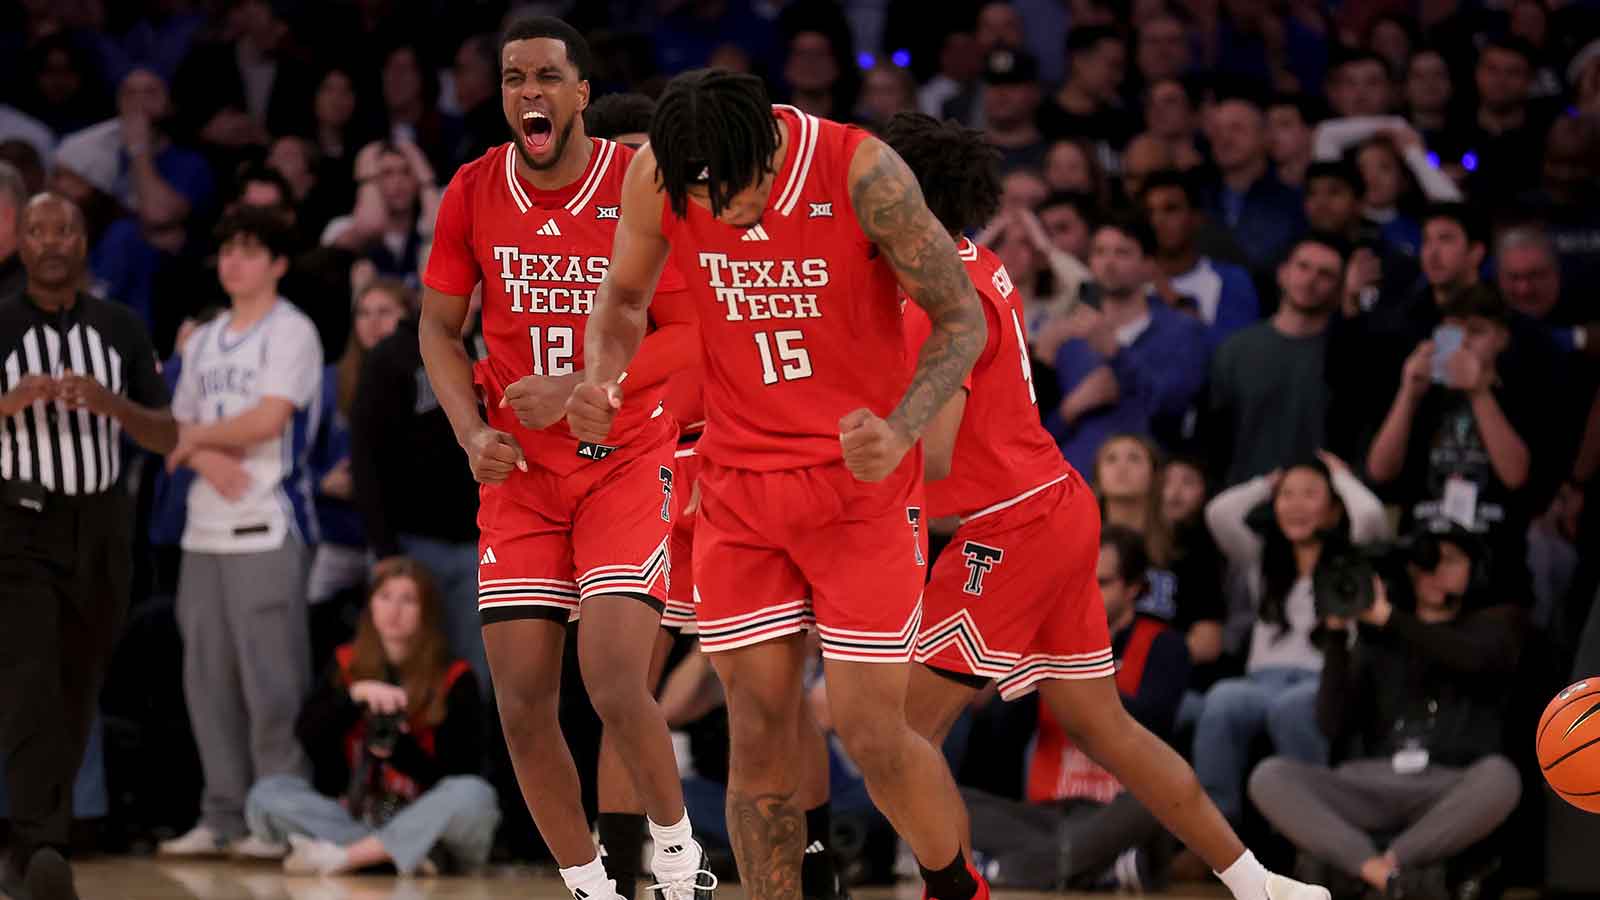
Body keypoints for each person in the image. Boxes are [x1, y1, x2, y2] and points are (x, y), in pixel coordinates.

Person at [875, 111, 1330, 900]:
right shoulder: (968, 258)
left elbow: (936, 455)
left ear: (903, 193)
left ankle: (955, 893)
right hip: (1053, 506)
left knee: (898, 735)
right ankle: (1260, 884)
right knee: (1105, 728)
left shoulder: (937, 296)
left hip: (1008, 524)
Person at [570, 71, 990, 900]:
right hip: (739, 487)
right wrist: (601, 378)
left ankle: (954, 888)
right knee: (756, 729)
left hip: (858, 487)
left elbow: (961, 317)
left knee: (871, 731)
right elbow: (621, 297)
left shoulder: (864, 172)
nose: (721, 208)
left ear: (769, 146)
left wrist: (902, 425)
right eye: (702, 191)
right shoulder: (657, 174)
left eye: (736, 186)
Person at [416, 19, 709, 900]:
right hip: (521, 477)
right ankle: (587, 883)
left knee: (615, 679)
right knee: (522, 706)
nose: (529, 92)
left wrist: (594, 383)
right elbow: (437, 326)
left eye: (548, 76)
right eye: (513, 78)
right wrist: (472, 432)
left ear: (582, 93)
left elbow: (692, 333)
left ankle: (678, 856)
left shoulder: (640, 185)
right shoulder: (470, 190)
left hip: (623, 458)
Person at [0, 193, 178, 900]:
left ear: (82, 243)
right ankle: (42, 844)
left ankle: (29, 843)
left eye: (64, 229)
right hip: (17, 526)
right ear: (20, 241)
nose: (51, 241)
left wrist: (112, 406)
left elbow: (166, 434)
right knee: (31, 683)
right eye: (38, 229)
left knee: (77, 689)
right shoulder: (0, 323)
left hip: (103, 527)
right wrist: (8, 405)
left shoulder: (121, 326)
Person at [159, 205, 324, 857]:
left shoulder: (293, 332)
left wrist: (192, 441)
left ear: (278, 263)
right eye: (227, 250)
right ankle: (221, 813)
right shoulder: (201, 338)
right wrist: (200, 455)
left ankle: (277, 817)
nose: (234, 261)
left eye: (250, 251)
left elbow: (268, 419)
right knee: (208, 683)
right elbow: (172, 424)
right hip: (203, 529)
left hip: (267, 525)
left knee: (272, 684)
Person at [1249, 533, 1525, 898]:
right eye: (1426, 562)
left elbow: (1472, 659)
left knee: (1501, 779)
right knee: (1270, 776)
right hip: (1372, 782)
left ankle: (1385, 864)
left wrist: (1392, 618)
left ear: (1475, 569)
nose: (1435, 571)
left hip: (1445, 785)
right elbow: (1331, 724)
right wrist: (1335, 637)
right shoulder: (1377, 640)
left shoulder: (1493, 625)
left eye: (1450, 560)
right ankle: (1377, 871)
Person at [958, 527, 1190, 891]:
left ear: (1133, 589)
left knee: (1158, 798)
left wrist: (1063, 677)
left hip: (1118, 811)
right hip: (1050, 815)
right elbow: (1003, 735)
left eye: (1103, 582)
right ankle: (1098, 869)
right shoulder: (1048, 643)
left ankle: (1009, 870)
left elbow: (1152, 722)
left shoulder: (1165, 646)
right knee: (949, 798)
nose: (1086, 594)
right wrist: (1019, 668)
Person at [243, 558, 501, 876]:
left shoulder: (455, 677)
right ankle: (403, 853)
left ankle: (348, 857)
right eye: (385, 597)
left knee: (474, 796)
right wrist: (354, 698)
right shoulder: (346, 663)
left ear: (427, 611)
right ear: (371, 606)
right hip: (359, 816)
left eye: (408, 600)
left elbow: (463, 771)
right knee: (267, 794)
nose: (394, 610)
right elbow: (308, 737)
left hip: (427, 812)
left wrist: (402, 750)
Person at [1196, 454, 1391, 826]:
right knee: (1221, 700)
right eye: (1287, 495)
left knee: (1291, 708)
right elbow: (1219, 513)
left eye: (1310, 495)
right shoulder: (1262, 559)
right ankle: (1216, 829)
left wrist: (1341, 476)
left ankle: (1308, 827)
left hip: (1320, 680)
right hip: (1262, 681)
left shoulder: (1354, 558)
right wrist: (1265, 484)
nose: (1296, 505)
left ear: (1334, 509)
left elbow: (1370, 517)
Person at [1044, 214, 1211, 474]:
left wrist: (1116, 353)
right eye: (1100, 252)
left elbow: (1170, 410)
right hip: (1075, 485)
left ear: (1148, 265)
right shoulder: (1069, 338)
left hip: (1148, 486)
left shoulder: (1182, 332)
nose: (1108, 262)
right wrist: (1070, 409)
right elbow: (1035, 432)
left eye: (1122, 252)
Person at [1208, 234, 1349, 487]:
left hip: (1317, 505)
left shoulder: (1348, 357)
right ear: (1282, 273)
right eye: (1303, 267)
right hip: (1240, 502)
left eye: (1325, 274)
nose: (1311, 280)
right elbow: (1215, 440)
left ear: (1339, 290)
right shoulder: (1236, 350)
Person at [307, 279, 410, 611]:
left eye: (385, 312)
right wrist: (322, 481)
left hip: (396, 532)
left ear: (408, 316)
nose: (373, 323)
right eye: (364, 313)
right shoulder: (329, 381)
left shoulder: (423, 376)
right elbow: (294, 457)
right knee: (316, 622)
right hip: (335, 531)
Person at [1141, 169, 1260, 343]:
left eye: (1171, 209)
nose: (1157, 220)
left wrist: (1168, 294)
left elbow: (1236, 357)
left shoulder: (1232, 282)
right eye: (1149, 212)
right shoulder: (1129, 282)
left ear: (1196, 218)